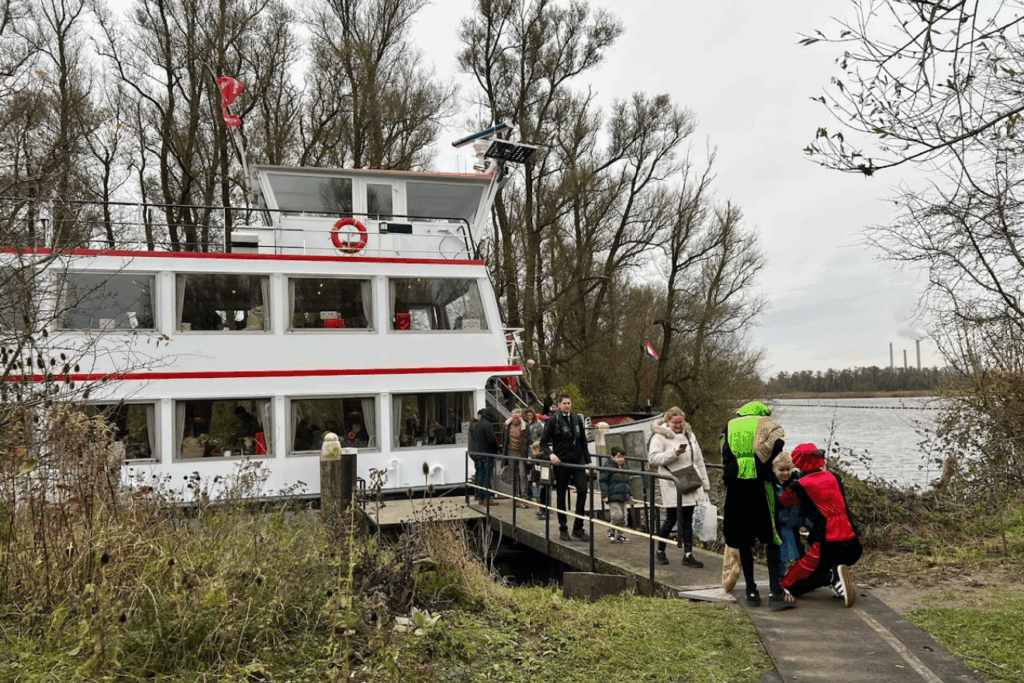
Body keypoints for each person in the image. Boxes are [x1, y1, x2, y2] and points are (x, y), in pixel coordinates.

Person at [721, 400, 793, 611]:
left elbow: (725, 455)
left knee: (743, 540)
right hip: (761, 485)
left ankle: (751, 591)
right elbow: (778, 447)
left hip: (736, 486)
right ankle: (775, 592)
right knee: (772, 537)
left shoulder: (730, 426)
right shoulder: (767, 424)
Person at [778, 443, 863, 608]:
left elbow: (783, 502)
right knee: (820, 569)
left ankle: (831, 577)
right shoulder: (835, 477)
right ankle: (836, 580)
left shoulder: (799, 486)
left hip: (827, 543)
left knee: (788, 586)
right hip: (854, 544)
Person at [648, 407, 710, 567]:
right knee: (671, 519)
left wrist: (705, 483)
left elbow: (698, 460)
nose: (677, 425)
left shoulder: (689, 435)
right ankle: (660, 551)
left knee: (687, 520)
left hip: (690, 481)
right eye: (674, 422)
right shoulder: (659, 437)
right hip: (672, 483)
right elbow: (652, 459)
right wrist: (674, 453)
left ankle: (688, 555)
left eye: (680, 422)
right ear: (667, 421)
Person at [540, 394, 592, 541]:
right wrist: (551, 455)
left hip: (577, 460)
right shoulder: (553, 420)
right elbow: (543, 442)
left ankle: (578, 527)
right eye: (564, 403)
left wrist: (588, 461)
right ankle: (563, 528)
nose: (567, 406)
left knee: (582, 491)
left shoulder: (576, 418)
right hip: (561, 462)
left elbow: (583, 441)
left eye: (569, 403)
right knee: (561, 495)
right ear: (559, 404)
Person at [772, 452, 805, 577]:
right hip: (778, 524)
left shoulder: (797, 483)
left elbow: (805, 505)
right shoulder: (771, 485)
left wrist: (804, 523)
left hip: (794, 523)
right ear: (774, 469)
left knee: (797, 550)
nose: (785, 473)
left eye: (788, 469)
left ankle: (796, 576)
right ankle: (781, 576)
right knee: (780, 554)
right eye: (781, 470)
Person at [600, 446, 634, 543]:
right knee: (617, 516)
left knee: (624, 517)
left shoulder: (624, 468)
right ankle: (611, 530)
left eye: (622, 457)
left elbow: (627, 483)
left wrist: (630, 494)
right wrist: (605, 495)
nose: (621, 459)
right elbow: (603, 481)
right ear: (613, 457)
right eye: (618, 457)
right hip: (612, 496)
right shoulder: (608, 468)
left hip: (623, 496)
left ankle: (620, 534)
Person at [469, 408, 499, 505]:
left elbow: (474, 438)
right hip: (487, 453)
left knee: (480, 475)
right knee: (487, 476)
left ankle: (480, 497)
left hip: (479, 454)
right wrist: (496, 450)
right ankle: (487, 498)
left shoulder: (476, 425)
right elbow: (491, 440)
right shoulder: (488, 425)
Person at [501, 409, 530, 508]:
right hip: (510, 451)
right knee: (513, 476)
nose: (516, 420)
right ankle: (515, 497)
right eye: (514, 417)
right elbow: (504, 439)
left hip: (521, 453)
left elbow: (529, 441)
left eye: (518, 418)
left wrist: (529, 455)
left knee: (523, 474)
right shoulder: (507, 425)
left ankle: (524, 497)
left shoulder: (525, 426)